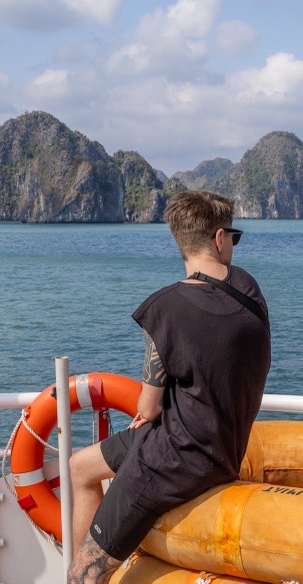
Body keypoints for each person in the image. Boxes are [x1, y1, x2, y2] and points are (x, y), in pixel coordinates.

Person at [67, 190, 272, 584]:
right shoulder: (249, 290)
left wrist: (149, 413)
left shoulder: (166, 308)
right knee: (80, 468)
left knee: (83, 573)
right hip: (221, 443)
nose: (233, 243)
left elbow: (149, 406)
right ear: (218, 238)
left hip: (175, 458)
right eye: (234, 236)